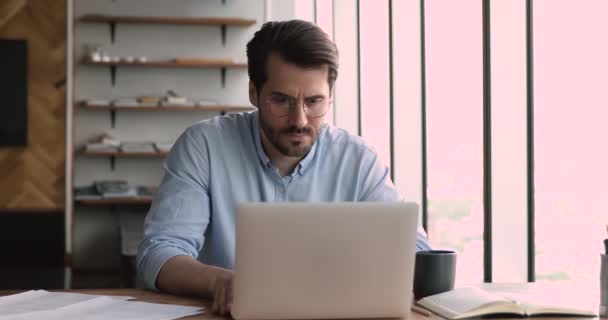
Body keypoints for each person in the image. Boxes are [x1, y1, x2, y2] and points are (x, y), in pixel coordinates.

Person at [137, 19, 431, 315]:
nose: (299, 120)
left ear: (330, 96)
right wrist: (220, 282)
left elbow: (418, 254)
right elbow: (157, 256)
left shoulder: (358, 160)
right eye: (282, 100)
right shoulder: (204, 146)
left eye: (314, 101)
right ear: (254, 93)